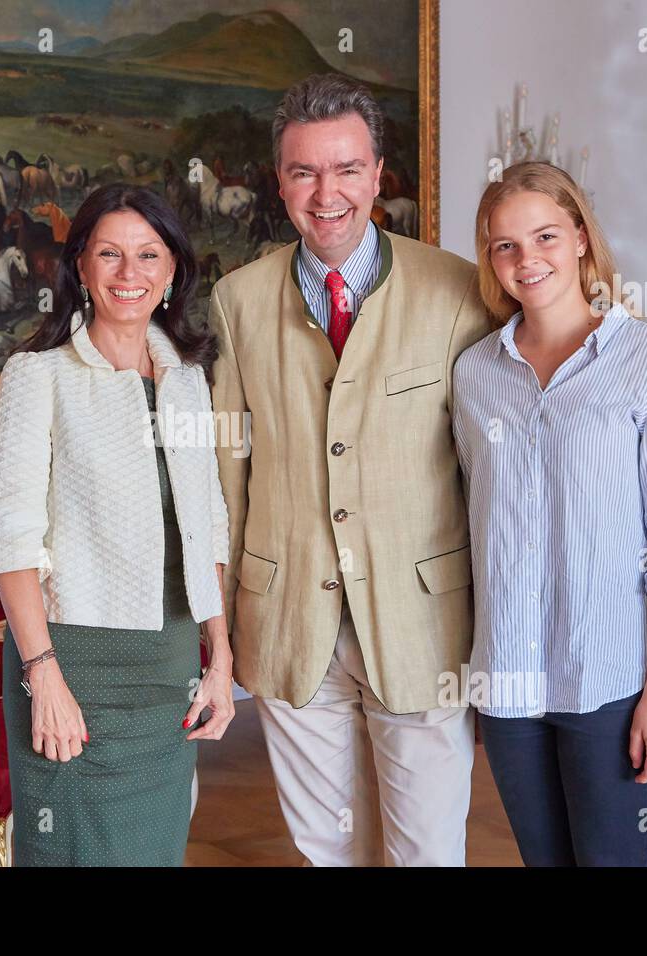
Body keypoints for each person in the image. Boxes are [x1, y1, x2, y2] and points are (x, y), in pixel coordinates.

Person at [209, 73, 492, 866]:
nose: (325, 192)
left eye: (345, 169)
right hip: (288, 617)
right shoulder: (237, 300)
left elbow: (488, 473)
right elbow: (229, 478)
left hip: (424, 622)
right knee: (326, 852)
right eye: (304, 172)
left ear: (377, 174)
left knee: (427, 851)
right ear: (280, 182)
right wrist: (224, 629)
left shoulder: (458, 291)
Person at [452, 161, 647, 865]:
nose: (526, 259)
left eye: (544, 235)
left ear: (579, 237)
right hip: (508, 682)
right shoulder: (476, 373)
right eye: (504, 245)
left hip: (608, 679)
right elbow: (472, 519)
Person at [0, 183, 235, 866]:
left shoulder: (186, 379)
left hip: (171, 663)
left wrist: (221, 657)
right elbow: (10, 541)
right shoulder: (38, 375)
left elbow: (207, 522)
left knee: (153, 852)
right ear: (81, 268)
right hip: (73, 662)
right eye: (110, 255)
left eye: (149, 255)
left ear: (172, 270)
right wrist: (43, 678)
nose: (131, 274)